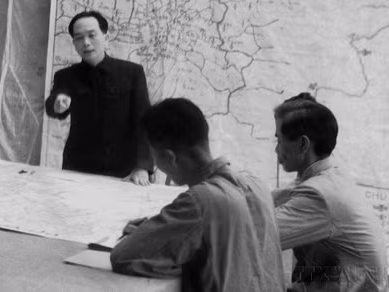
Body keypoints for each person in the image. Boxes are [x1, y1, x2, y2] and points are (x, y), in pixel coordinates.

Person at [110, 98, 284, 291]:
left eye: (154, 157)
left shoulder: (198, 201)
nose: (157, 165)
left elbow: (123, 257)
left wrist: (145, 236)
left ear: (170, 157)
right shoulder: (257, 185)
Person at [272, 93, 388, 291]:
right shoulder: (328, 178)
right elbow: (275, 198)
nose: (276, 149)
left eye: (279, 140)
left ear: (303, 144)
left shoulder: (320, 195)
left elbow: (255, 235)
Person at [45, 11, 153, 185]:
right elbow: (53, 105)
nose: (86, 43)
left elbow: (144, 122)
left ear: (105, 36)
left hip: (125, 168)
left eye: (92, 35)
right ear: (74, 43)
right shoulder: (66, 76)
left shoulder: (132, 72)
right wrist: (58, 105)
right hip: (78, 166)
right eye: (79, 38)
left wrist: (142, 166)